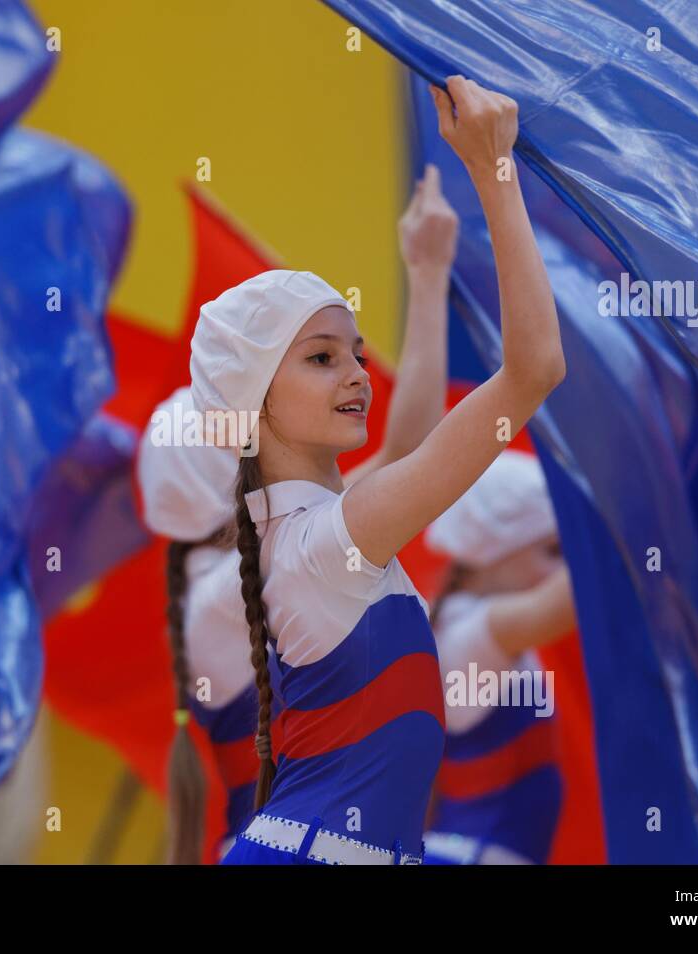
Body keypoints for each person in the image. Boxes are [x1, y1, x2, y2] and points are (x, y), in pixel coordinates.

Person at [188, 74, 565, 864]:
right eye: (322, 358)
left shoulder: (309, 532)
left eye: (356, 353)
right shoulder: (330, 539)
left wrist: (427, 274)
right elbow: (531, 369)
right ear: (254, 399)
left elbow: (411, 446)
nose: (357, 374)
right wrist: (494, 171)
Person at [139, 162, 460, 863]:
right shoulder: (255, 576)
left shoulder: (271, 553)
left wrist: (430, 275)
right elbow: (410, 457)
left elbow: (407, 452)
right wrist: (429, 277)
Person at [421, 450, 577, 865]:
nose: (563, 567)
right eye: (553, 550)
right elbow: (570, 598)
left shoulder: (462, 627)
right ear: (492, 553)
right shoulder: (474, 636)